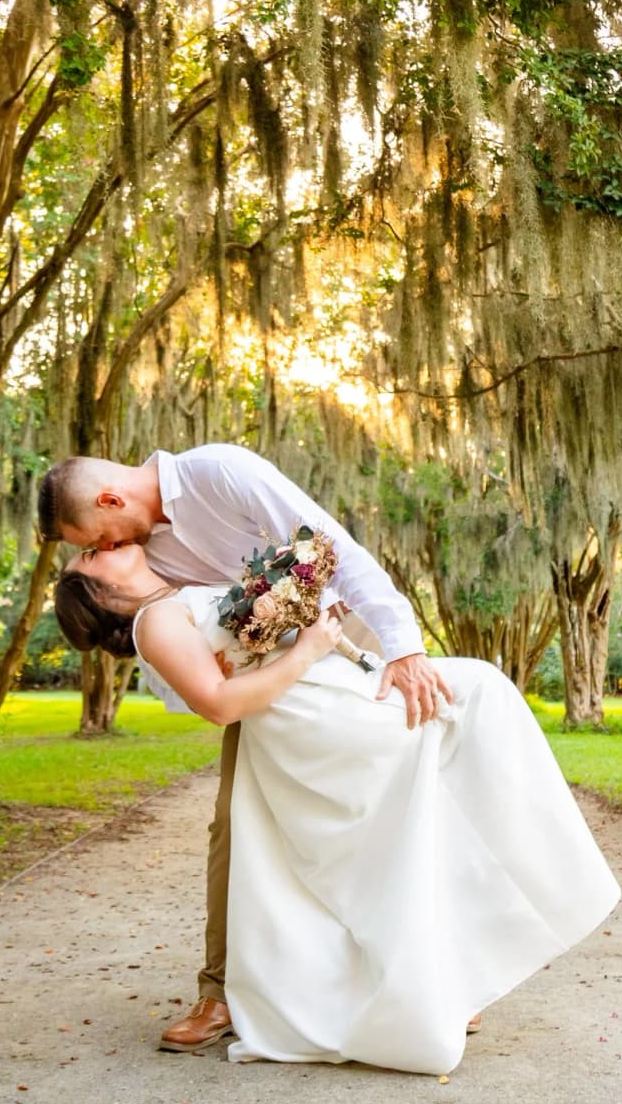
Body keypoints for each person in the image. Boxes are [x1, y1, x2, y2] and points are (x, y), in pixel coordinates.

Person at [50, 538, 621, 1076]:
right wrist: (310, 648)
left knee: (420, 792)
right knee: (473, 696)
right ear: (98, 595)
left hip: (315, 687)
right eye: (88, 559)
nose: (96, 548)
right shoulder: (154, 622)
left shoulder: (172, 592)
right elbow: (220, 704)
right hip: (305, 707)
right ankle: (539, 881)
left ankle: (448, 969)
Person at [36, 444, 455, 1053]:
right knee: (237, 824)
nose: (97, 552)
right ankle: (222, 992)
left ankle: (433, 981)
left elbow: (330, 546)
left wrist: (403, 646)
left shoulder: (221, 473)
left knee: (393, 806)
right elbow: (178, 641)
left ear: (109, 501)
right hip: (262, 684)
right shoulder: (137, 557)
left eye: (93, 539)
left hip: (342, 640)